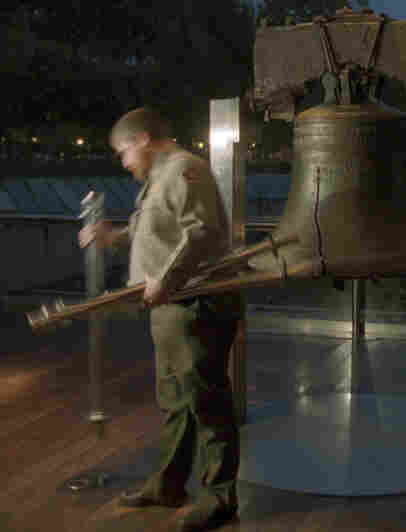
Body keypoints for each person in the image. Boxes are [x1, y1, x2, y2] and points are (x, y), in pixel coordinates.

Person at [78, 107, 242, 532]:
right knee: (176, 400)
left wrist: (166, 279)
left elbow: (202, 232)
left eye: (123, 152)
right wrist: (110, 236)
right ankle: (168, 485)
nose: (123, 161)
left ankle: (219, 498)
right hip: (170, 305)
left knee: (206, 402)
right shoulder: (157, 180)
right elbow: (149, 232)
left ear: (144, 139)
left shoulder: (185, 169)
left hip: (197, 303)